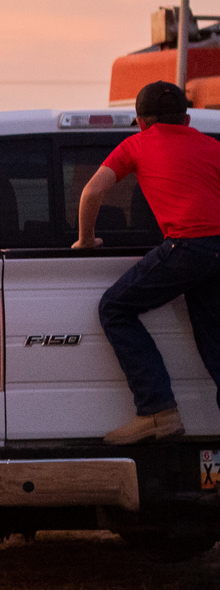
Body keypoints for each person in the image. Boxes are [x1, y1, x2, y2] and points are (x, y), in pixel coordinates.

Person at [74, 80, 220, 443]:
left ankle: (158, 412)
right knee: (216, 343)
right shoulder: (212, 146)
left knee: (114, 308)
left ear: (140, 122)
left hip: (187, 247)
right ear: (187, 119)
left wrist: (86, 239)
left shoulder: (136, 144)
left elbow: (92, 190)